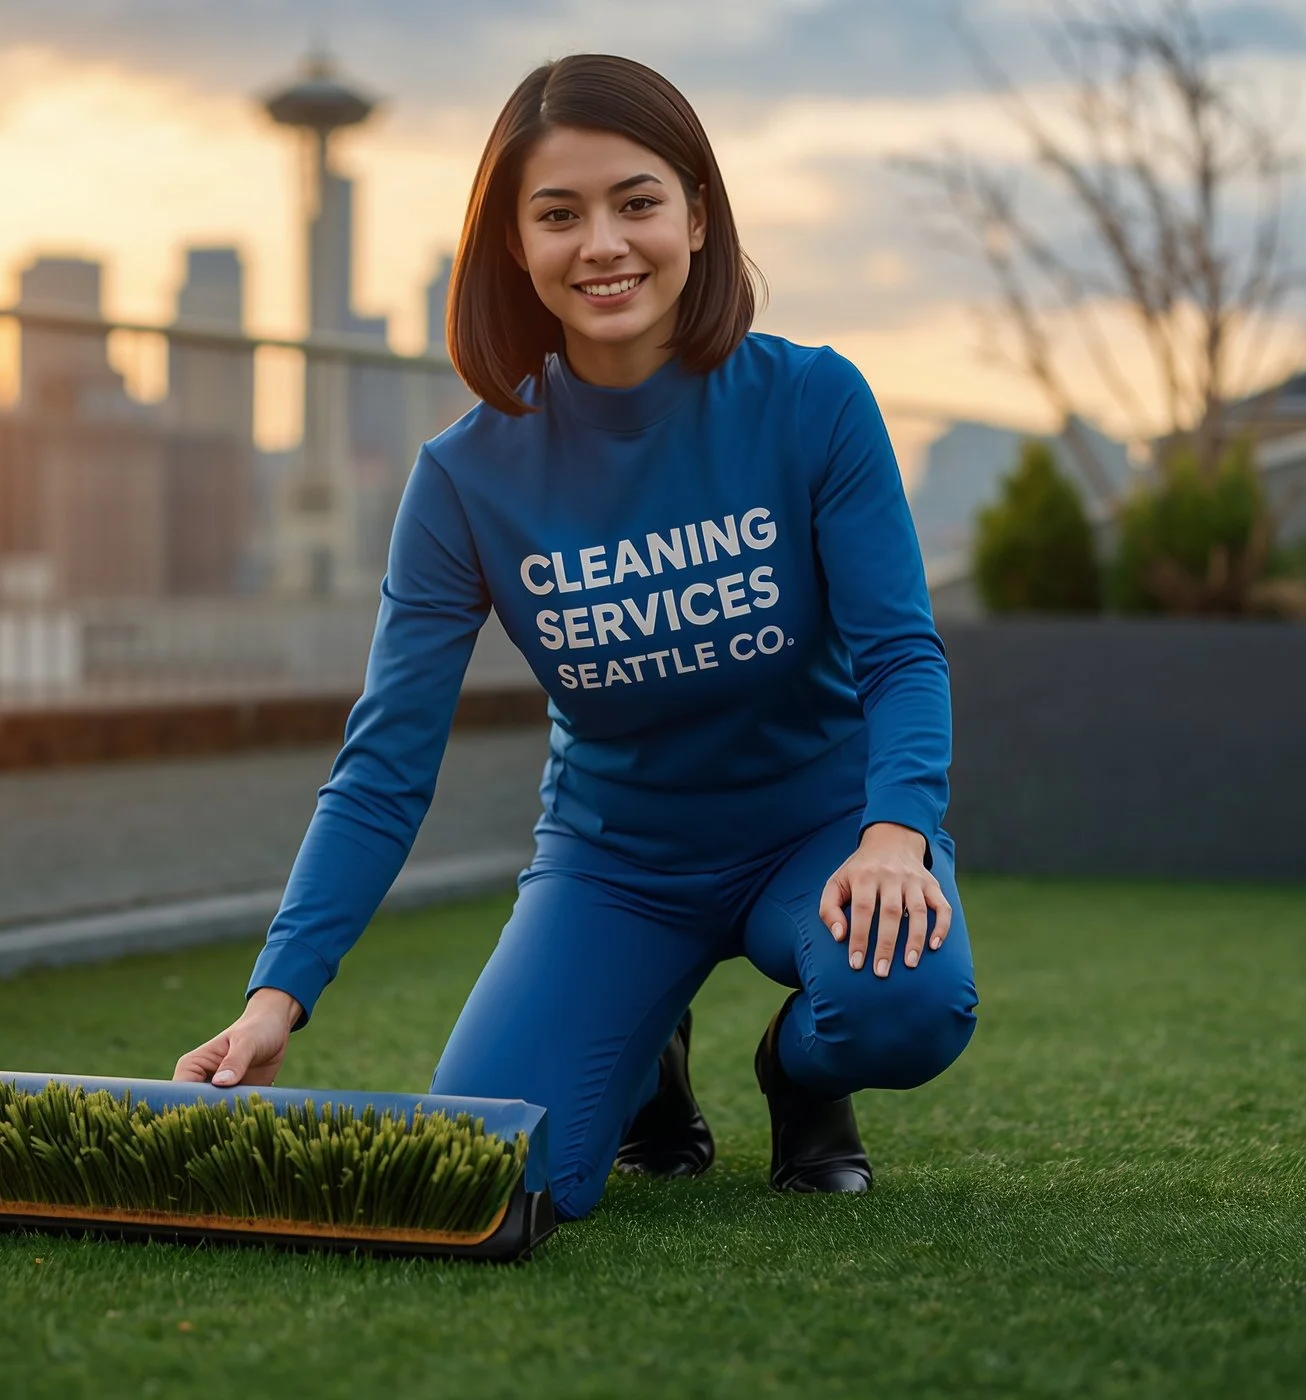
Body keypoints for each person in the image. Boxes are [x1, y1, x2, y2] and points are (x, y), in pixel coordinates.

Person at [174, 53, 976, 1222]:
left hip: (821, 830)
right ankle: (649, 1050)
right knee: (497, 1172)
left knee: (899, 1001)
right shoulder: (464, 478)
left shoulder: (812, 402)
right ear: (514, 245)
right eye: (559, 214)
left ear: (697, 216)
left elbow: (902, 652)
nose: (601, 243)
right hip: (620, 861)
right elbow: (385, 764)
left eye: (636, 201)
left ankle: (793, 1076)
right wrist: (273, 996)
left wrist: (897, 832)